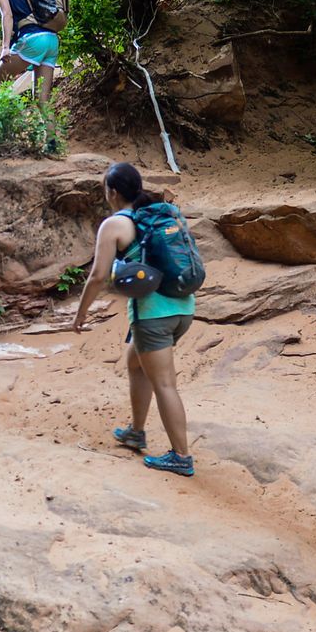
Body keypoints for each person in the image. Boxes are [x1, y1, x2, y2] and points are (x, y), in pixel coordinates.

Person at [71, 162, 194, 476]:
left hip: (152, 316)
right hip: (183, 307)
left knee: (164, 383)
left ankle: (181, 456)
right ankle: (136, 432)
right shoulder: (156, 213)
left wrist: (81, 313)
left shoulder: (115, 224)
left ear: (112, 192)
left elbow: (98, 276)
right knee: (135, 362)